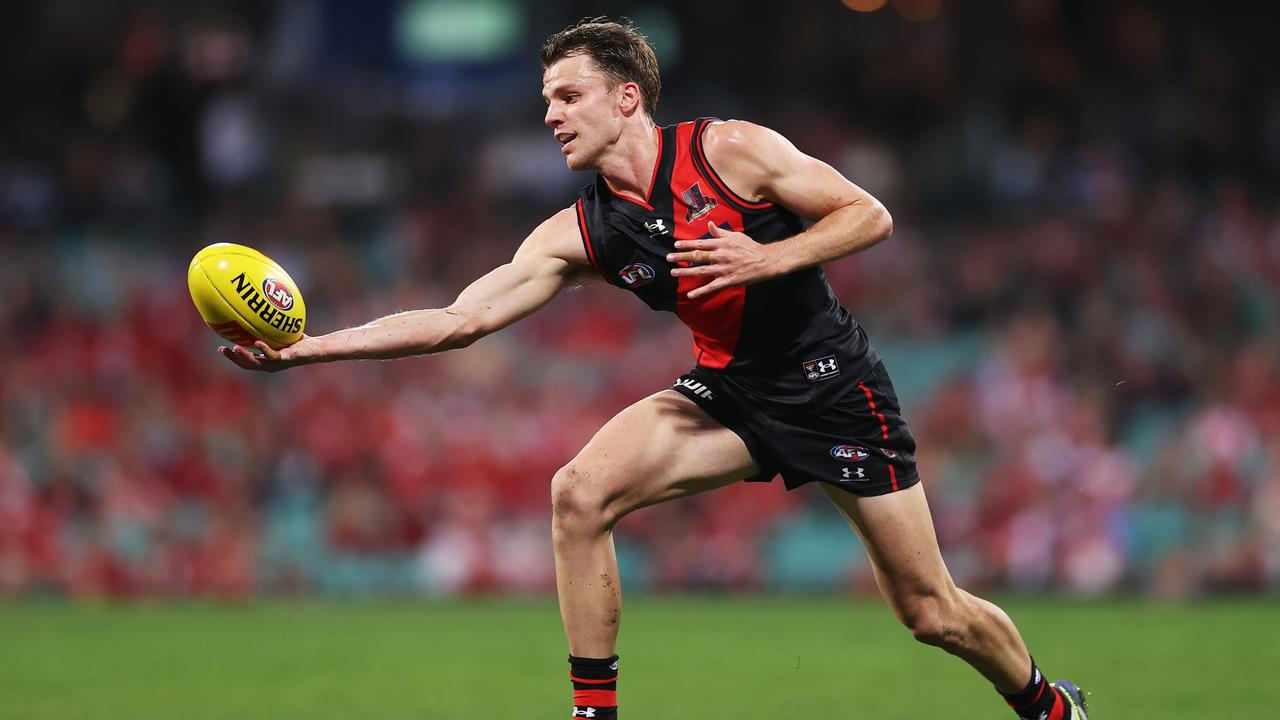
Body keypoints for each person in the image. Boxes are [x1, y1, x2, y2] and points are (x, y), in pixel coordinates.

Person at [220, 17, 1089, 720]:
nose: (552, 115)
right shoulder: (581, 230)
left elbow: (869, 215)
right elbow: (459, 319)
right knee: (577, 493)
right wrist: (309, 349)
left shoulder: (730, 151)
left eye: (569, 95)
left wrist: (764, 259)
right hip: (731, 393)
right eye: (546, 101)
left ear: (627, 96)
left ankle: (1050, 706)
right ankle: (594, 715)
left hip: (833, 387)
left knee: (930, 612)